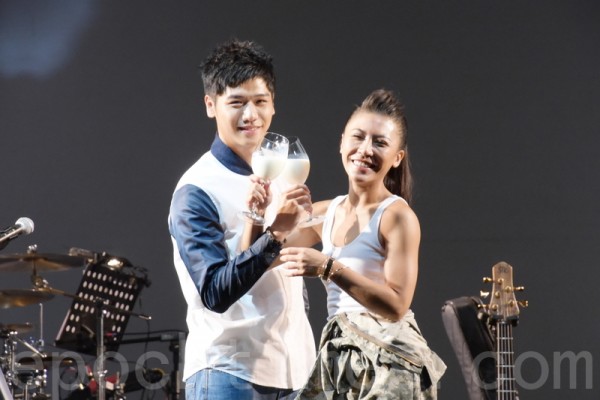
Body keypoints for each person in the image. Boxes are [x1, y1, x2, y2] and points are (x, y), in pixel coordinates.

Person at [168, 39, 316, 400]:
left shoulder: (283, 176)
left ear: (273, 104)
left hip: (296, 371)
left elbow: (288, 268)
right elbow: (214, 292)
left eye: (260, 101)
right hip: (228, 373)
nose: (251, 115)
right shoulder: (196, 189)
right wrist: (276, 234)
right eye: (237, 102)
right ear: (210, 105)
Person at [275, 89, 447, 399]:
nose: (365, 150)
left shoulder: (396, 216)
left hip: (387, 363)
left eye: (380, 143)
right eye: (358, 137)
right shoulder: (326, 212)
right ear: (342, 142)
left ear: (397, 158)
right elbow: (265, 256)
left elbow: (396, 305)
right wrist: (258, 211)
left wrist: (328, 267)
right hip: (344, 359)